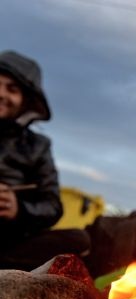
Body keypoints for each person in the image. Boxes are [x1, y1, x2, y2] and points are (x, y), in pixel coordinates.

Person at [0, 50, 90, 270]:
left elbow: (52, 206)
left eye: (12, 89)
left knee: (78, 240)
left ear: (25, 101)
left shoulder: (38, 146)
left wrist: (18, 209)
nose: (1, 94)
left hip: (9, 242)